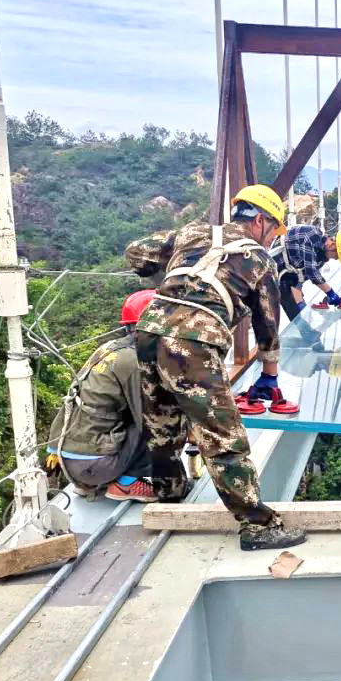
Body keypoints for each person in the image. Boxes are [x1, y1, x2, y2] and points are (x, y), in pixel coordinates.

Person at [124, 184, 305, 551]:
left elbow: (136, 253)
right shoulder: (258, 259)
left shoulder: (190, 232)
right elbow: (268, 324)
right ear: (260, 220)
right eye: (273, 231)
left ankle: (169, 493)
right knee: (222, 435)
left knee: (162, 424)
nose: (272, 239)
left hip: (149, 328)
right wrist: (270, 377)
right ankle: (257, 526)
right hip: (193, 340)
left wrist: (170, 272)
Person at [46, 289, 162, 502]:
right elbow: (149, 418)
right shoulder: (133, 360)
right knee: (155, 419)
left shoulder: (109, 349)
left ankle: (87, 484)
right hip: (94, 464)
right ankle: (127, 483)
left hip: (67, 460)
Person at [276, 224, 341, 321]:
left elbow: (299, 278)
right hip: (271, 265)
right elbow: (312, 272)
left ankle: (304, 329)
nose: (336, 259)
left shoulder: (321, 257)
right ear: (333, 245)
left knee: (300, 317)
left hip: (287, 276)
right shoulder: (311, 235)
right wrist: (331, 294)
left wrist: (300, 305)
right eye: (337, 256)